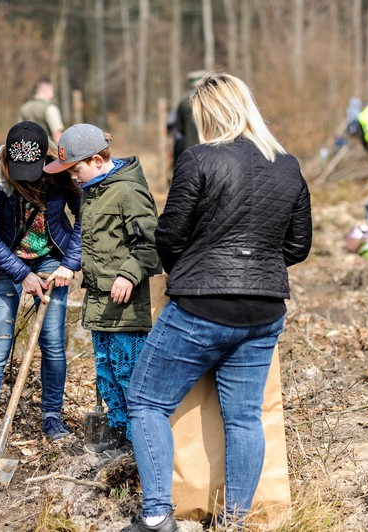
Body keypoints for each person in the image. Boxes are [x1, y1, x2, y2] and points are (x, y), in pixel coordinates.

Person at [124, 73, 312, 532]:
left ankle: (155, 516)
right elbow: (298, 246)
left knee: (146, 401)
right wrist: (259, 266)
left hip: (201, 308)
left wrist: (194, 266)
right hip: (264, 310)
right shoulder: (287, 164)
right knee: (245, 418)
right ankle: (233, 523)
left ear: (207, 114)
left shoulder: (198, 159)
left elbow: (170, 235)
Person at [44, 124, 160, 457]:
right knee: (106, 369)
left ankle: (139, 441)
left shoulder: (128, 191)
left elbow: (150, 242)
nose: (73, 178)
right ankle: (118, 429)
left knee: (128, 371)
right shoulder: (93, 190)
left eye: (75, 169)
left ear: (97, 159)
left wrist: (129, 274)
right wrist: (70, 264)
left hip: (125, 304)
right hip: (98, 299)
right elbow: (88, 237)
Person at [0, 121, 82, 454]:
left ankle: (52, 417)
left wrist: (69, 264)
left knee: (53, 342)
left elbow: (83, 215)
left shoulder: (59, 175)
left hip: (50, 259)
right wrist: (21, 274)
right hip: (6, 263)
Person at [170, 70, 207, 167]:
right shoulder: (209, 100)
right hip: (208, 147)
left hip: (189, 148)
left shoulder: (183, 101)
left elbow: (178, 126)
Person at [18, 78, 65, 144]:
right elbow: (57, 135)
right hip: (48, 151)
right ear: (47, 90)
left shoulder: (24, 108)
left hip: (28, 151)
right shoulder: (50, 108)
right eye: (52, 91)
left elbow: (19, 132)